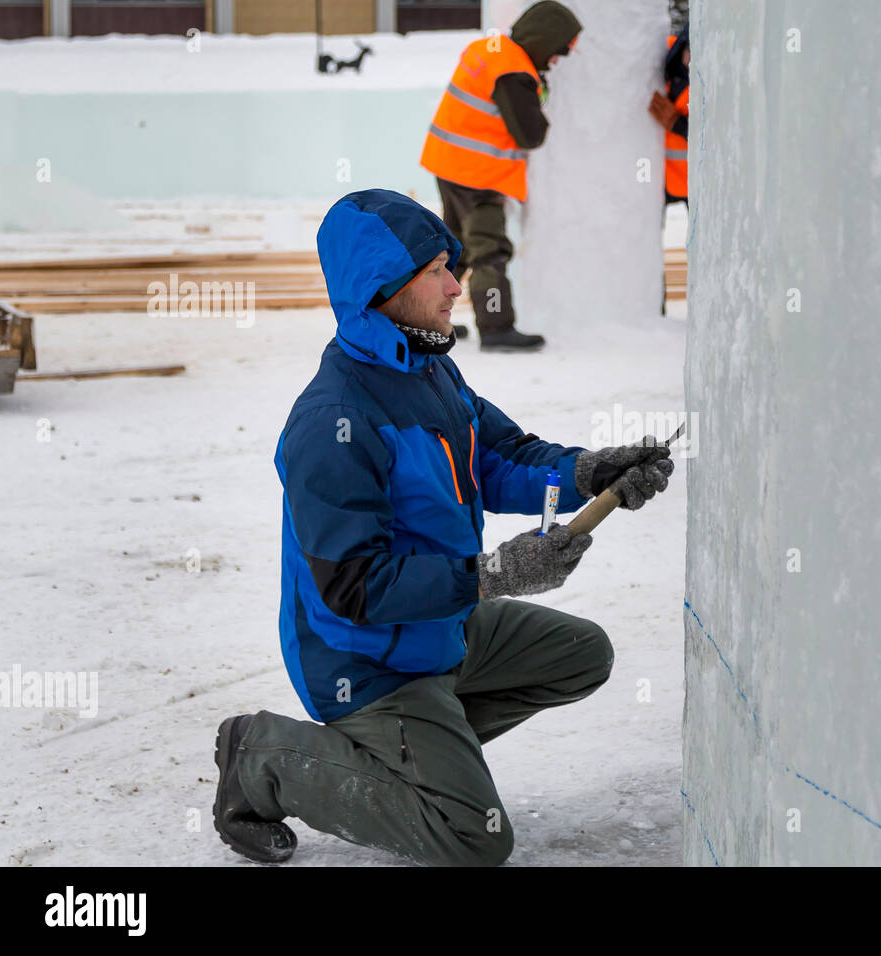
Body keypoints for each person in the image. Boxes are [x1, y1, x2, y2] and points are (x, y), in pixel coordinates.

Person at [211, 188, 675, 866]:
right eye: (436, 272)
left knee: (582, 655)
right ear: (383, 288)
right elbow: (355, 587)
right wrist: (492, 576)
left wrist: (588, 472)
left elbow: (501, 458)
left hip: (441, 629)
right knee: (474, 839)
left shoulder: (429, 369)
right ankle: (264, 758)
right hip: (366, 661)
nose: (458, 285)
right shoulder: (332, 422)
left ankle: (420, 753)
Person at [419, 1, 583, 353]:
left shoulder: (490, 49)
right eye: (556, 53)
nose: (556, 61)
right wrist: (542, 98)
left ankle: (419, 319)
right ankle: (495, 327)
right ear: (544, 40)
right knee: (489, 252)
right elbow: (530, 134)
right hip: (477, 176)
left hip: (449, 163)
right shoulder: (514, 72)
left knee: (454, 250)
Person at [649, 27, 689, 314]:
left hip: (696, 182)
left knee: (702, 249)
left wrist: (679, 125)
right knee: (647, 246)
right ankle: (653, 308)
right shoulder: (662, 53)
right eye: (690, 51)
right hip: (660, 177)